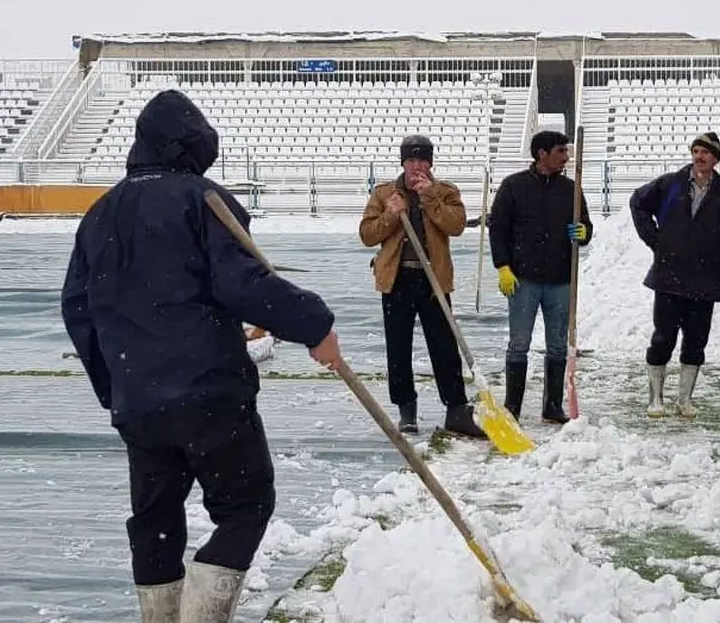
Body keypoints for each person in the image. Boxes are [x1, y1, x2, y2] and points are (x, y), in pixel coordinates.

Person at [60, 89, 343, 623]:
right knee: (245, 505)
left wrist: (115, 385)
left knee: (155, 521)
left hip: (140, 404)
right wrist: (315, 325)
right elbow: (243, 283)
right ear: (193, 146)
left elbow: (77, 308)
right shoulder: (202, 200)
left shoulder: (99, 214)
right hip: (208, 393)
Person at [359, 135, 486, 439]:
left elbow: (455, 225)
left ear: (431, 163)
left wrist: (430, 198)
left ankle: (456, 408)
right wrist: (391, 214)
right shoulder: (385, 193)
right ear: (402, 162)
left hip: (434, 281)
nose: (416, 167)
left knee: (444, 346)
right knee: (398, 348)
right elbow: (367, 235)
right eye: (411, 160)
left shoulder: (445, 192)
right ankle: (406, 408)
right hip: (397, 279)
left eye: (422, 160)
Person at [629, 132, 720, 418]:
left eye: (706, 152)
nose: (699, 156)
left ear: (716, 159)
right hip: (669, 275)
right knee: (663, 338)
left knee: (696, 342)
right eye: (696, 150)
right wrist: (655, 240)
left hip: (705, 279)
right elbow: (638, 202)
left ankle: (684, 399)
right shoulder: (670, 183)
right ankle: (655, 398)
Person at [487, 130, 593, 424]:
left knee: (557, 345)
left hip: (560, 279)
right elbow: (497, 228)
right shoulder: (514, 186)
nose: (567, 157)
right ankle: (513, 407)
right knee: (519, 343)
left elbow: (586, 224)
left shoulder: (571, 189)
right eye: (561, 151)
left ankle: (552, 405)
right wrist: (503, 266)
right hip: (523, 279)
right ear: (542, 154)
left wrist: (584, 233)